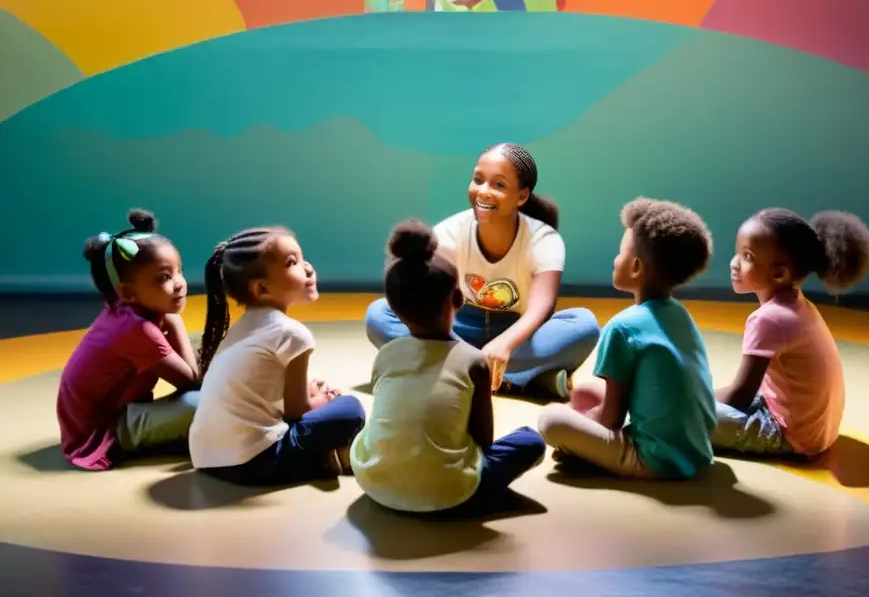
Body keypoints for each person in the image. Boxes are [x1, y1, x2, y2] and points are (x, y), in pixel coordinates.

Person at [365, 143, 600, 401]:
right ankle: (521, 378)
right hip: (457, 327)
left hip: (518, 330)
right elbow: (428, 300)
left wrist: (506, 343)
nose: (483, 192)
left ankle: (451, 369)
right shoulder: (449, 233)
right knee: (379, 314)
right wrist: (442, 334)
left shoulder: (544, 239)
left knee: (584, 324)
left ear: (521, 196)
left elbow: (541, 307)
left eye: (498, 185)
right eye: (478, 180)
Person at [351, 219, 546, 514]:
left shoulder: (386, 354)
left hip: (374, 485)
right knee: (530, 441)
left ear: (393, 308)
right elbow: (483, 442)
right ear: (458, 299)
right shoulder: (474, 362)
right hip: (452, 494)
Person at [538, 198, 716, 479]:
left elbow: (611, 419)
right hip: (698, 452)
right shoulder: (679, 314)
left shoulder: (622, 327)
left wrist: (584, 426)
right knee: (585, 391)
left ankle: (599, 459)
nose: (614, 259)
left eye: (620, 253)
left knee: (551, 420)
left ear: (635, 267)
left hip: (654, 460)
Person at [189, 226, 365, 486]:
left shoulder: (244, 325)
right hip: (254, 462)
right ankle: (329, 456)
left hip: (206, 458)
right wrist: (322, 401)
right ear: (262, 288)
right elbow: (296, 412)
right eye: (291, 263)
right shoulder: (293, 334)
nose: (307, 268)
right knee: (351, 409)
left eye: (301, 257)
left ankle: (323, 456)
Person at [713, 208, 869, 458]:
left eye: (747, 256)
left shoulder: (768, 319)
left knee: (678, 418)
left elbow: (740, 396)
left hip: (792, 436)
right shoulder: (798, 304)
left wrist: (694, 400)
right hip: (817, 430)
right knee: (698, 400)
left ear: (779, 274)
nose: (734, 263)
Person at [57, 209, 200, 471]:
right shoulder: (137, 330)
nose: (179, 283)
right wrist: (175, 320)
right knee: (201, 405)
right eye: (164, 278)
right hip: (102, 430)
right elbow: (190, 381)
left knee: (207, 377)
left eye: (178, 271)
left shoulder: (126, 311)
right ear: (128, 292)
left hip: (113, 413)